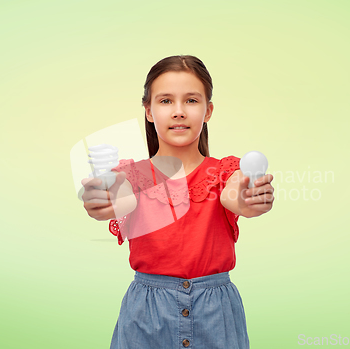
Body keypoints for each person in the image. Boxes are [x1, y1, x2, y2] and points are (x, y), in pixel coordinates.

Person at [81, 55, 274, 349]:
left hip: (216, 317)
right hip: (146, 318)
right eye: (166, 101)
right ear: (148, 111)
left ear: (208, 111)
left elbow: (236, 196)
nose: (179, 112)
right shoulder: (131, 176)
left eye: (192, 101)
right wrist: (98, 197)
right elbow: (116, 197)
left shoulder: (226, 173)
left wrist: (251, 196)